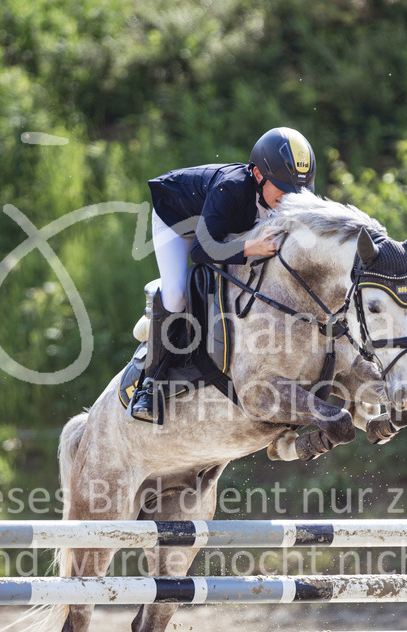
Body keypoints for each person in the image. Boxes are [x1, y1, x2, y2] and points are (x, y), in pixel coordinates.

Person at [128, 127, 317, 423]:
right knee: (177, 292)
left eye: (297, 190)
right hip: (178, 223)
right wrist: (250, 246)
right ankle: (149, 385)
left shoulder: (289, 194)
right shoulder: (231, 187)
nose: (290, 197)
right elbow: (202, 251)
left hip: (219, 226)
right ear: (257, 175)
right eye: (282, 187)